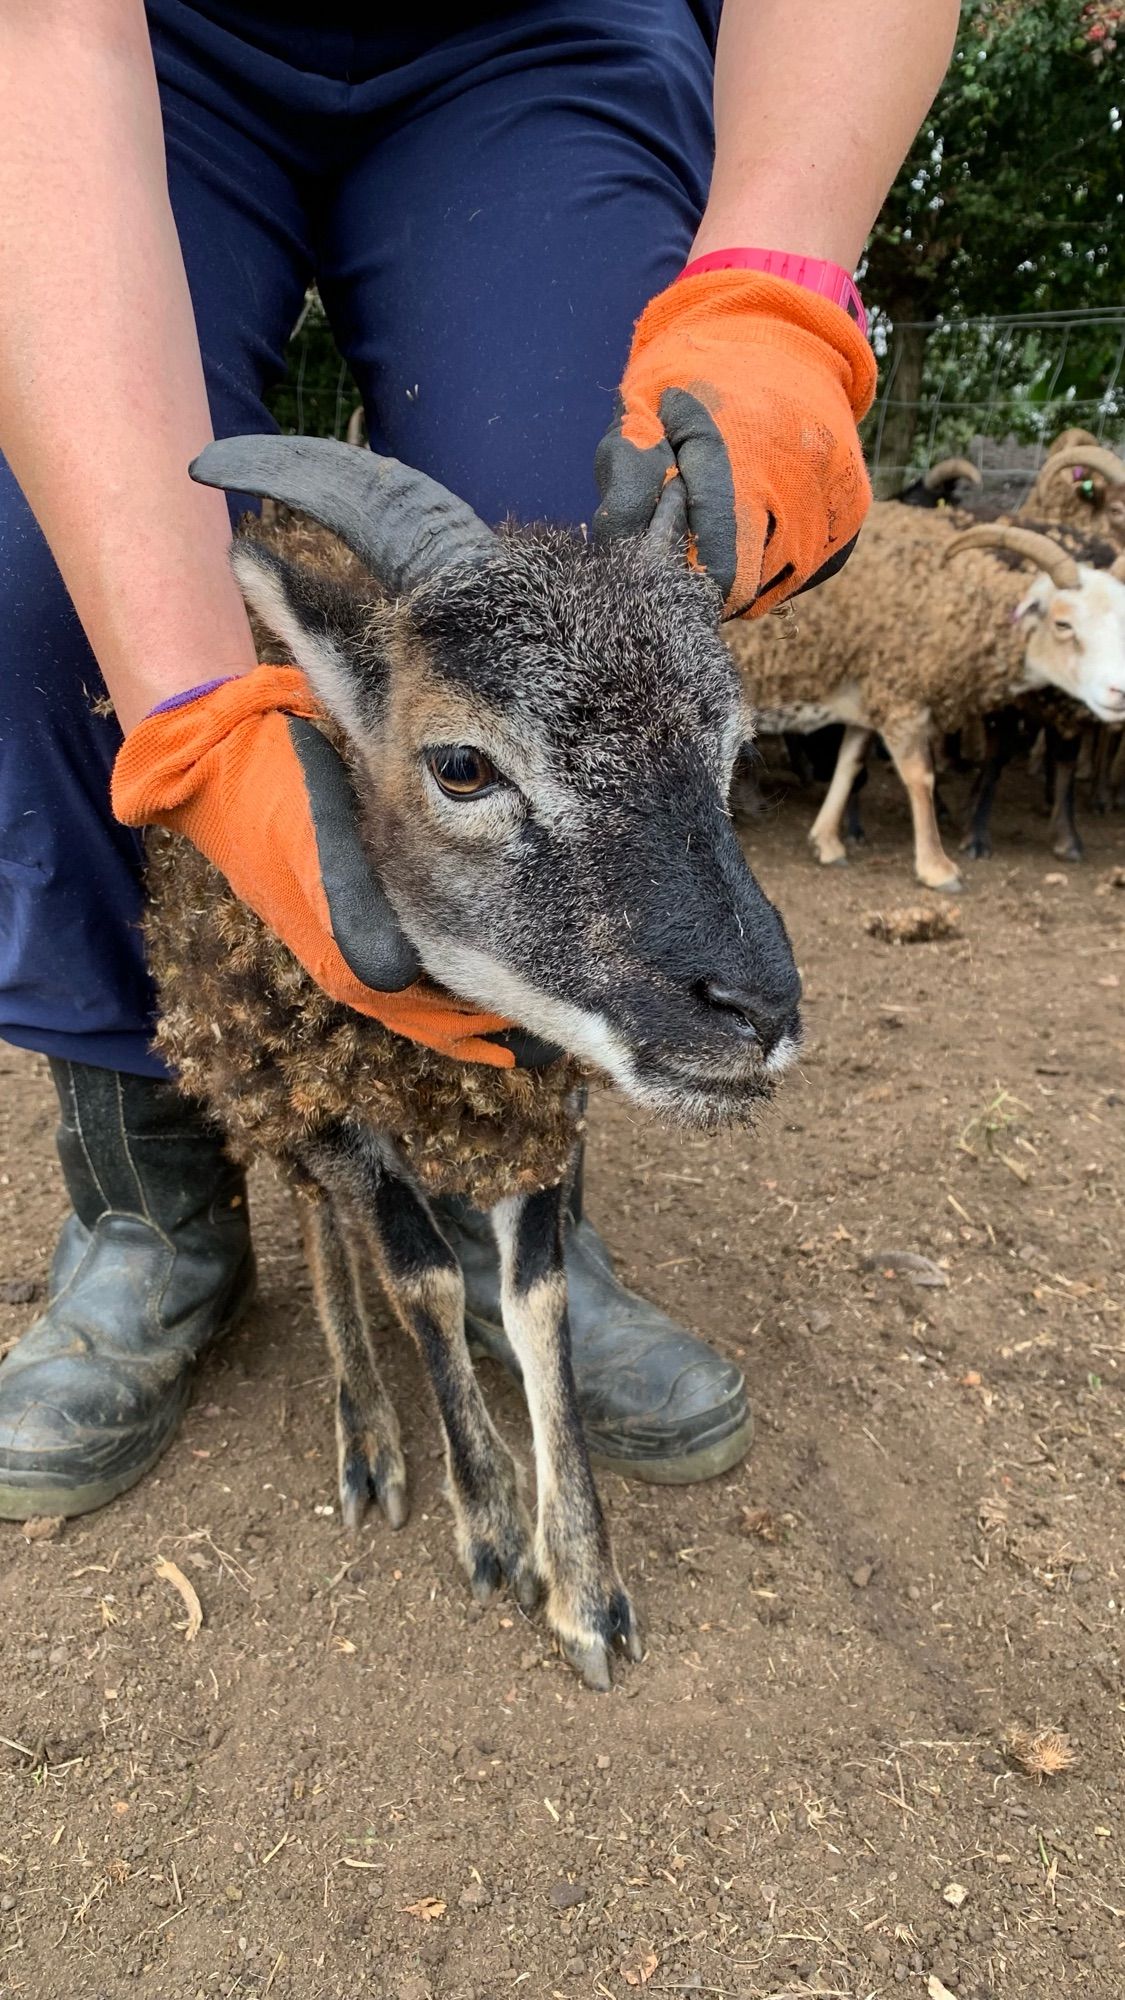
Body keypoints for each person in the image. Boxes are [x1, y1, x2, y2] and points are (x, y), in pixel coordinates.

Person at [0, 0, 959, 1520]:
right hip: (136, 40)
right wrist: (186, 718)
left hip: (538, 29)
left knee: (567, 536)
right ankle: (152, 1207)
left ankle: (509, 1192)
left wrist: (778, 287)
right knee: (43, 584)